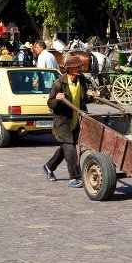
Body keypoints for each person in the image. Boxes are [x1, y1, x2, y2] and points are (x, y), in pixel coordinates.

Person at [43, 59, 92, 188]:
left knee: (65, 149)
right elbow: (50, 103)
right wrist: (57, 99)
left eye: (80, 66)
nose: (80, 69)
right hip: (62, 124)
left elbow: (83, 99)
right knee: (70, 150)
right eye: (77, 67)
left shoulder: (81, 80)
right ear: (69, 69)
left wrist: (91, 96)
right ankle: (74, 178)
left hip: (76, 122)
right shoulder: (59, 84)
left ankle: (49, 167)